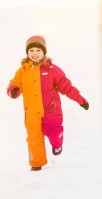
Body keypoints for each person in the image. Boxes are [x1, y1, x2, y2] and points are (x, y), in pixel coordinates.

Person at [6, 35, 89, 171]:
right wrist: (13, 90)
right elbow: (14, 84)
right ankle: (36, 164)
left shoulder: (52, 70)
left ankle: (57, 144)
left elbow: (66, 86)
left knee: (53, 132)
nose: (34, 53)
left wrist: (79, 99)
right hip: (31, 112)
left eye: (38, 50)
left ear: (44, 52)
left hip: (51, 111)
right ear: (27, 53)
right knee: (34, 139)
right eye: (31, 50)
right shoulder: (22, 71)